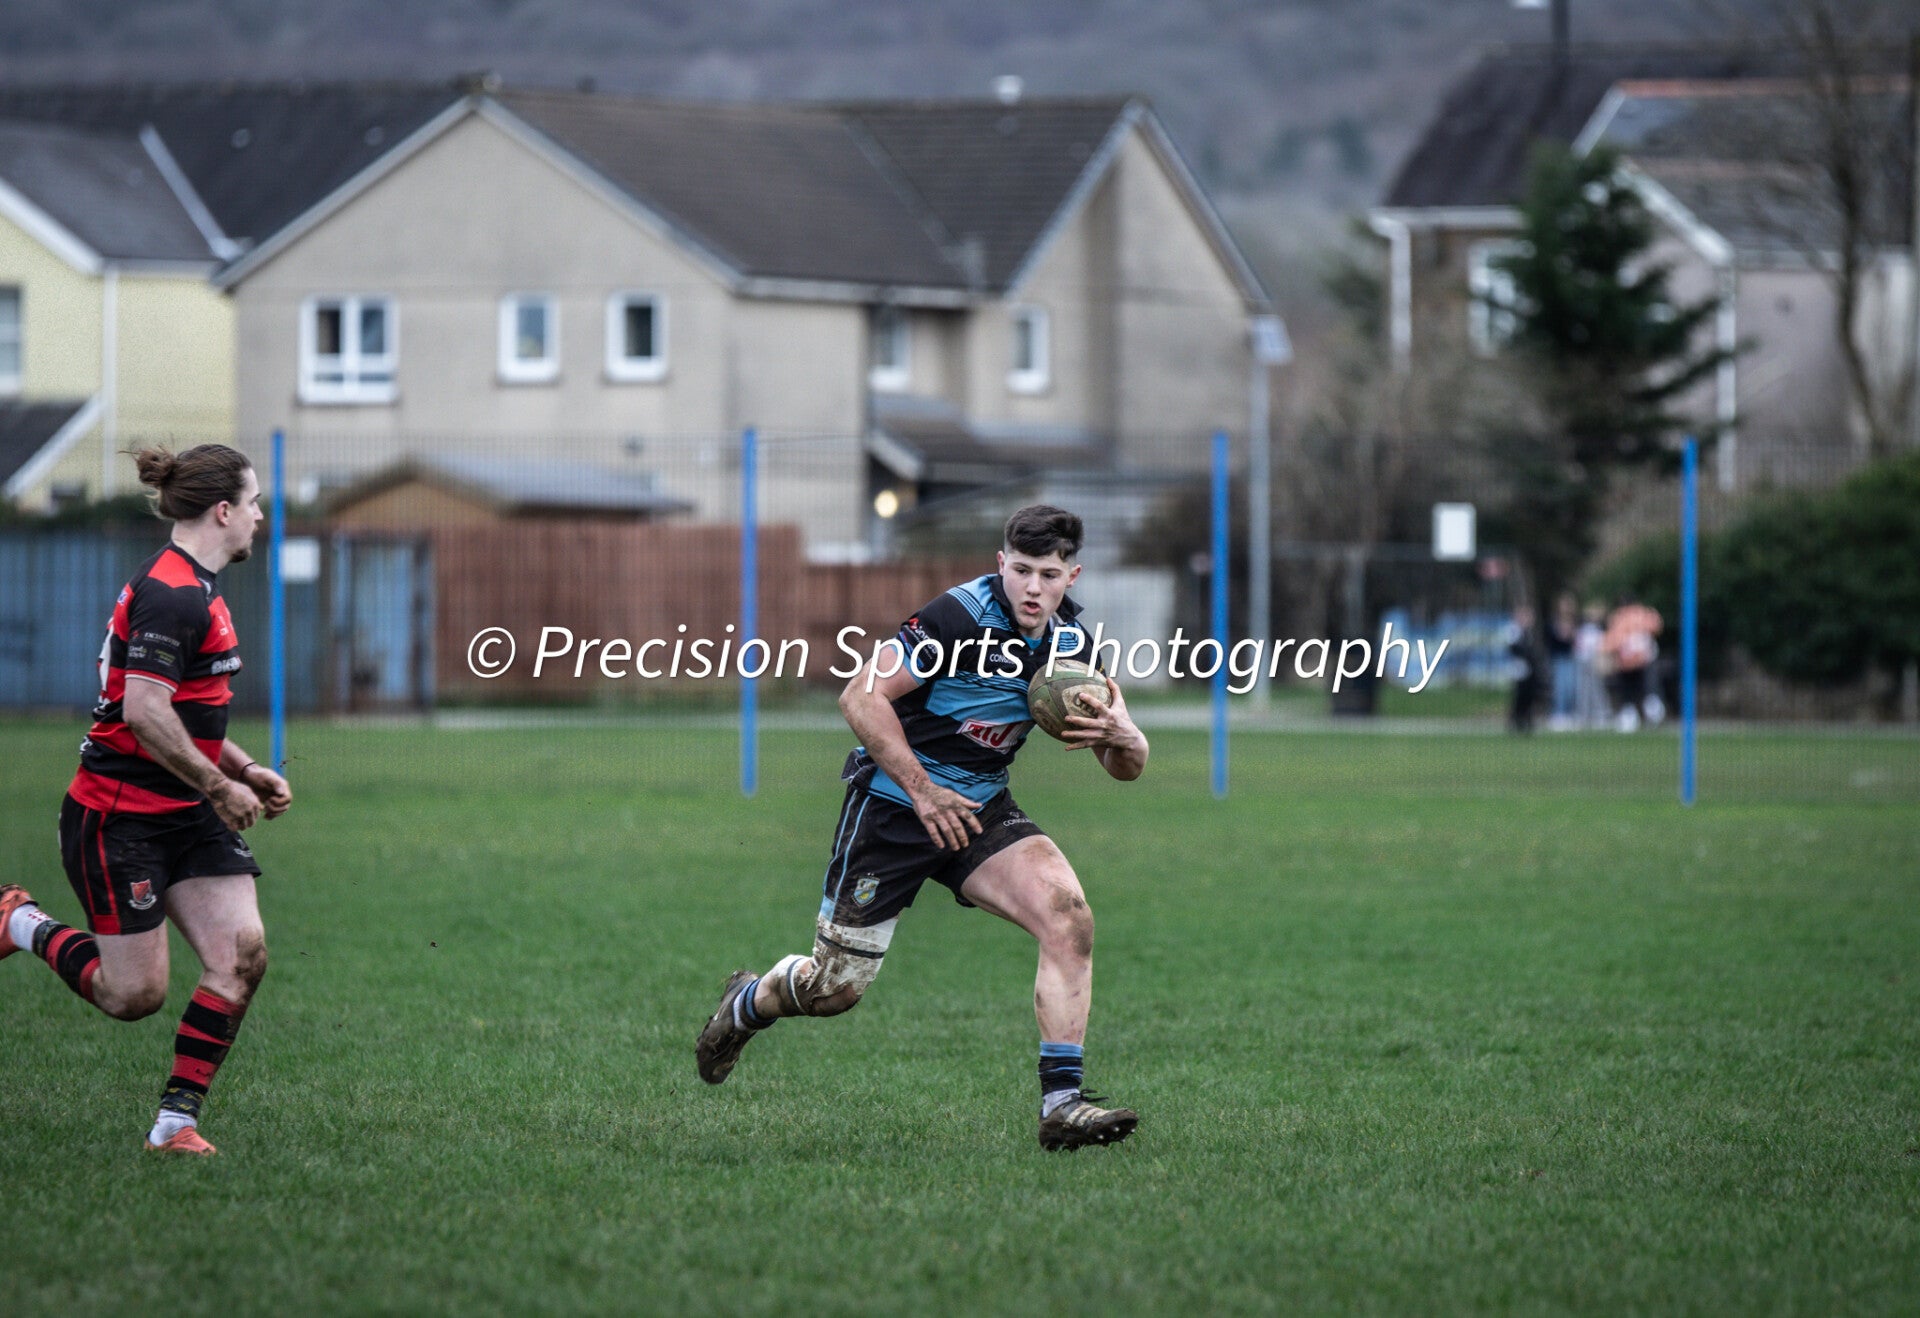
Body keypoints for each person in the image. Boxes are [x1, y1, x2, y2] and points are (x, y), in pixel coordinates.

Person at [696, 505, 1150, 1151]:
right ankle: (747, 1002)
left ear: (1070, 575)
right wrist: (924, 791)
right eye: (1020, 570)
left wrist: (1127, 735)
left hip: (980, 811)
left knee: (1069, 918)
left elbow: (1124, 766)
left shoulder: (1074, 650)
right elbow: (860, 695)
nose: (1031, 587)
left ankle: (1062, 1106)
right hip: (894, 809)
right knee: (834, 990)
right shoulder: (956, 618)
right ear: (1001, 564)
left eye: (1047, 574)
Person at [0, 445, 291, 1156]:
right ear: (222, 511)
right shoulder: (173, 594)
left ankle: (174, 1124)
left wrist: (244, 768)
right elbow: (144, 711)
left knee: (242, 955)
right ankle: (19, 922)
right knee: (132, 998)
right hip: (119, 818)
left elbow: (182, 713)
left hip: (184, 814)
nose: (259, 516)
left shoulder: (198, 586)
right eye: (253, 503)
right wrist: (220, 786)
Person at [1603, 596, 1665, 732]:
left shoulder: (1619, 618)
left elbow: (1611, 641)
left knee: (1629, 692)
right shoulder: (1644, 614)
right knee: (1647, 688)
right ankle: (1651, 712)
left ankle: (1631, 716)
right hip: (1644, 659)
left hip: (1628, 662)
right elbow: (1657, 625)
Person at [1505, 603, 1543, 734]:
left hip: (1529, 669)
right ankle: (1516, 719)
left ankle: (1526, 719)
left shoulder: (1530, 632)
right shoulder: (1514, 630)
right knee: (1520, 696)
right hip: (1519, 669)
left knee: (1529, 696)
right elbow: (1515, 648)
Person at [1545, 593, 1579, 730]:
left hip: (1570, 657)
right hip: (1558, 657)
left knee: (1571, 687)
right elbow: (1550, 638)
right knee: (1560, 687)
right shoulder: (1554, 621)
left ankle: (1569, 713)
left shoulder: (1574, 621)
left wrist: (1571, 634)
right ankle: (1558, 713)